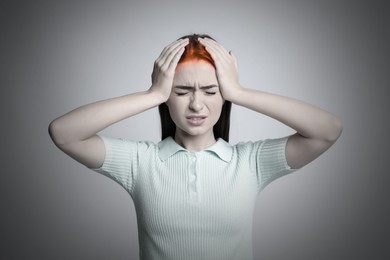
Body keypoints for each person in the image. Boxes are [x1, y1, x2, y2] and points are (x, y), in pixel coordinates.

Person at [49, 34, 343, 260]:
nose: (196, 104)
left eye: (211, 91)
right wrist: (152, 93)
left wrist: (239, 91)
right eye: (181, 91)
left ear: (223, 95)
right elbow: (64, 133)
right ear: (167, 96)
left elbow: (327, 130)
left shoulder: (249, 162)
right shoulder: (141, 163)